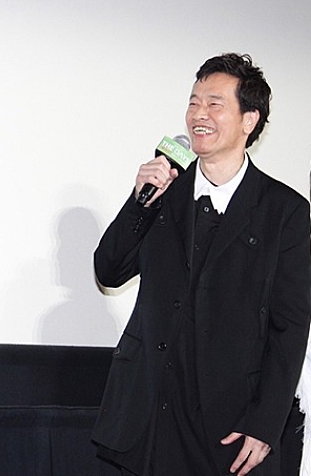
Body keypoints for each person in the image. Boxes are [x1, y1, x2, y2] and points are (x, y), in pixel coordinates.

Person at [92, 53, 311, 475]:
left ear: (249, 120)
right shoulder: (164, 192)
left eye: (214, 104)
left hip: (231, 426)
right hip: (150, 417)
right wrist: (139, 202)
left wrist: (265, 424)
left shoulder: (283, 211)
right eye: (193, 103)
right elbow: (109, 270)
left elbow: (290, 327)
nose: (199, 115)